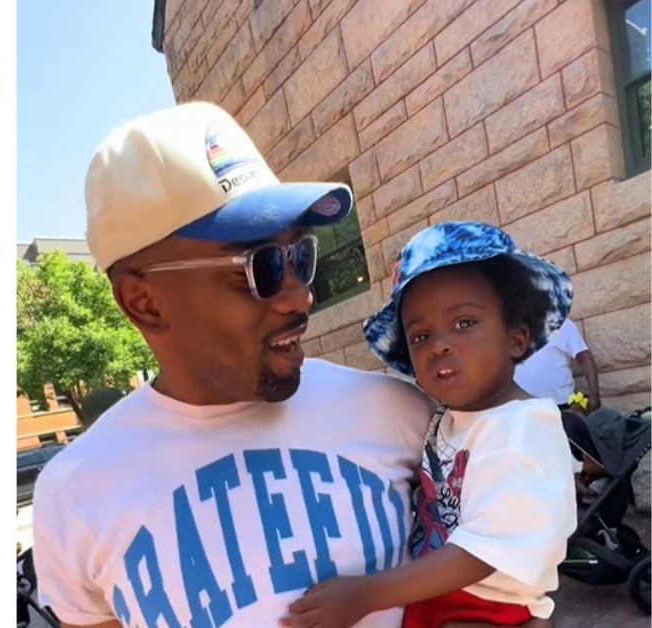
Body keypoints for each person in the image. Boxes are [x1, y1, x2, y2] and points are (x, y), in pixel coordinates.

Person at [33, 102, 444, 627]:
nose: (300, 298)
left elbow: (503, 582)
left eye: (300, 258)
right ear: (143, 302)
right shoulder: (75, 492)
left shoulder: (398, 413)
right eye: (263, 267)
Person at [284, 222, 576, 627]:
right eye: (420, 336)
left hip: (485, 608)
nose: (439, 344)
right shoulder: (449, 420)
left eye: (464, 324)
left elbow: (481, 553)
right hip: (435, 596)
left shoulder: (524, 427)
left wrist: (365, 594)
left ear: (516, 339)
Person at [514, 318, 601, 412]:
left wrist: (594, 396)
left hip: (560, 406)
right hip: (522, 409)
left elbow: (584, 357)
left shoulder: (561, 323)